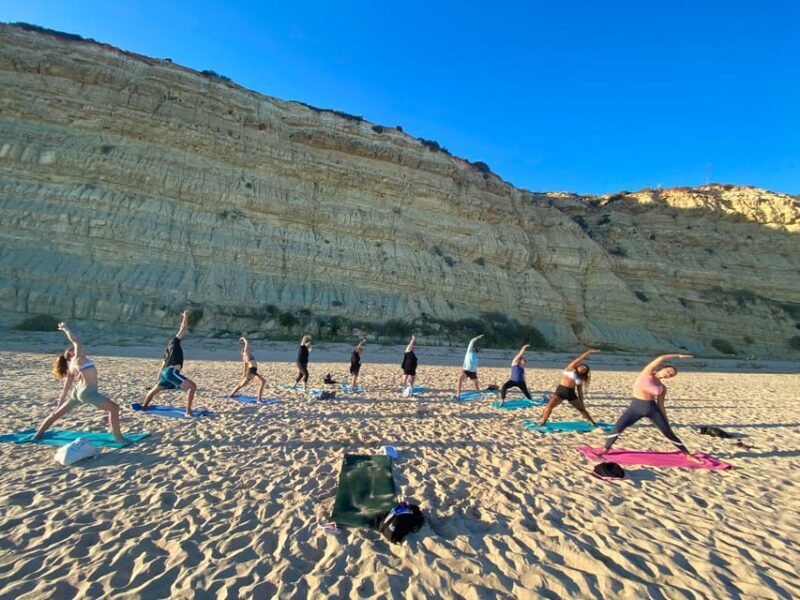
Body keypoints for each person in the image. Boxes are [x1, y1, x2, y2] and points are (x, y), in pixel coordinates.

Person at [32, 322, 128, 443]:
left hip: (77, 391)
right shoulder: (78, 359)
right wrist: (66, 329)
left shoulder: (71, 367)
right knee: (114, 408)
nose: (79, 349)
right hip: (88, 391)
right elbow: (76, 341)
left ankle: (38, 435)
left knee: (56, 414)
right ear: (71, 354)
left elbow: (67, 387)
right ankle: (118, 438)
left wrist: (60, 402)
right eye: (73, 350)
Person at [599, 354, 700, 461]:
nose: (669, 374)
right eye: (669, 371)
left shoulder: (662, 387)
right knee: (618, 427)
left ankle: (687, 454)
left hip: (653, 410)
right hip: (635, 408)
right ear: (662, 368)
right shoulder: (646, 373)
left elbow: (661, 405)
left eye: (671, 375)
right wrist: (678, 356)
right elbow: (661, 358)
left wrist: (665, 419)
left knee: (668, 432)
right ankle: (606, 449)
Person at [142, 310, 198, 417]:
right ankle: (188, 412)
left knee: (153, 391)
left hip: (165, 373)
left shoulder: (167, 353)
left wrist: (158, 380)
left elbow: (162, 367)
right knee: (192, 387)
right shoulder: (175, 342)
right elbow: (183, 328)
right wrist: (185, 316)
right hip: (171, 372)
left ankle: (144, 407)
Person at [539, 348, 599, 426]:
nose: (583, 368)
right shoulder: (570, 368)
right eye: (582, 366)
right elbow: (579, 359)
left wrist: (582, 403)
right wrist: (589, 352)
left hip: (571, 393)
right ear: (578, 366)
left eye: (585, 369)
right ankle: (543, 422)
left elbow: (580, 392)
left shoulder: (580, 379)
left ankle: (593, 423)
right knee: (549, 406)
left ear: (585, 372)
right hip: (561, 391)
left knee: (582, 410)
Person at [227, 336, 267, 402]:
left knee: (241, 385)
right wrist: (243, 338)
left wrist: (244, 375)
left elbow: (245, 367)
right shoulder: (246, 353)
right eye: (248, 349)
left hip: (249, 372)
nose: (249, 349)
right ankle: (259, 400)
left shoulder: (244, 357)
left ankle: (231, 395)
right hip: (251, 371)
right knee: (263, 382)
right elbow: (247, 343)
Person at [456, 334, 484, 400]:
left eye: (479, 349)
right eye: (478, 348)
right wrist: (478, 337)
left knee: (476, 383)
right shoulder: (469, 351)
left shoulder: (476, 356)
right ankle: (458, 395)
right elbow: (471, 341)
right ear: (475, 348)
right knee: (460, 380)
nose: (479, 350)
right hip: (466, 370)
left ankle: (478, 393)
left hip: (473, 372)